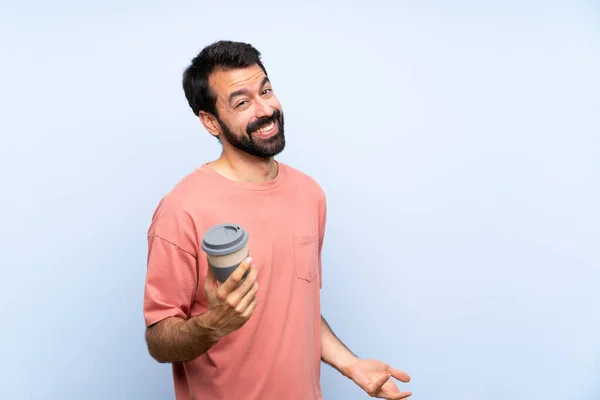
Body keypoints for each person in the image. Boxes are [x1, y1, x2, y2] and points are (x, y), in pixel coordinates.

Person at [142, 40, 412, 400]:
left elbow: (296, 308)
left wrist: (352, 365)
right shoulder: (182, 209)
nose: (265, 108)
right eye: (242, 102)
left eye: (265, 90)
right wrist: (213, 325)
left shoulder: (308, 194)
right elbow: (159, 340)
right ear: (210, 122)